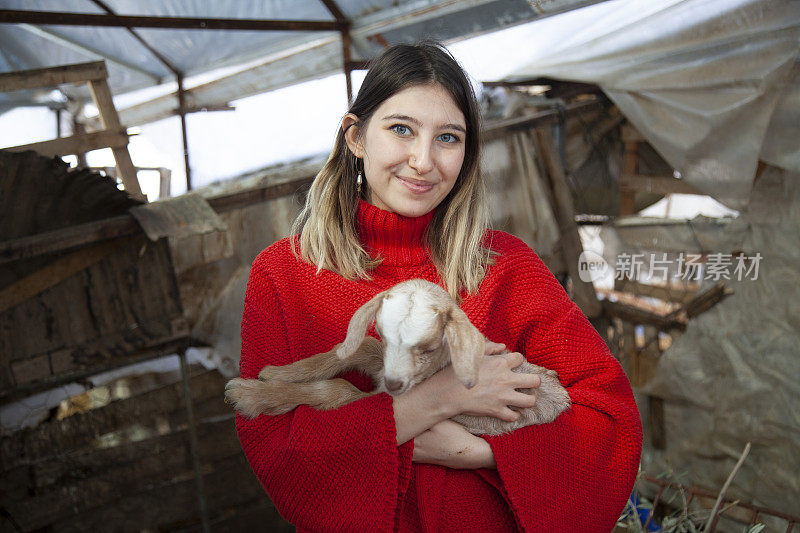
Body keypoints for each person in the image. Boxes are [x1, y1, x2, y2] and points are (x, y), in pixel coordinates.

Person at [235, 41, 642, 532]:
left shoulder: (507, 267)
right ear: (355, 136)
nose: (423, 161)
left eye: (448, 138)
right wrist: (436, 401)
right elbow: (276, 448)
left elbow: (610, 421)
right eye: (401, 129)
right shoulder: (285, 276)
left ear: (468, 152)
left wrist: (480, 452)